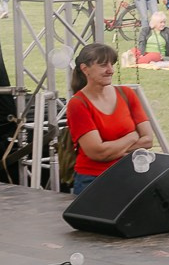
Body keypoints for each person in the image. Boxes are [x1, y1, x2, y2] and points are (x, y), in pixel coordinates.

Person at [64, 42, 155, 194]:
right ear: (85, 69)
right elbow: (97, 153)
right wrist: (131, 137)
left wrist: (112, 150)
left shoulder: (127, 94)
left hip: (130, 175)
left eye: (111, 64)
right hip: (93, 181)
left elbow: (148, 140)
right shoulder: (78, 104)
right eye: (103, 65)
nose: (110, 70)